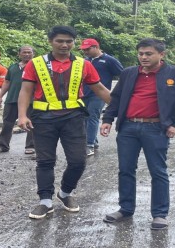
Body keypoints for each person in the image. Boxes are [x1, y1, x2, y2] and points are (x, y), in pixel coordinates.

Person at [17, 26, 111, 219]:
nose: (64, 45)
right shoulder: (35, 63)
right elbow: (25, 90)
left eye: (69, 41)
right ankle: (45, 201)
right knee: (45, 161)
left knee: (78, 161)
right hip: (43, 119)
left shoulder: (83, 64)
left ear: (74, 43)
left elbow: (100, 89)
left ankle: (65, 193)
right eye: (60, 41)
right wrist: (22, 115)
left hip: (74, 118)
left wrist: (122, 110)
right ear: (51, 41)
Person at [100, 38, 175, 230]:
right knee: (125, 170)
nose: (143, 57)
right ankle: (125, 209)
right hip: (128, 128)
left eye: (148, 54)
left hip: (156, 129)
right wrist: (108, 119)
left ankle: (159, 214)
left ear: (161, 54)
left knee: (157, 171)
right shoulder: (128, 73)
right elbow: (116, 99)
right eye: (141, 53)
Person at [80, 38, 124, 156]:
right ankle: (93, 142)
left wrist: (116, 92)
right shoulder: (85, 61)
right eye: (84, 50)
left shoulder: (109, 60)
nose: (85, 52)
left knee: (92, 117)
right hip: (84, 94)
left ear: (96, 47)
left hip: (99, 94)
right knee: (84, 118)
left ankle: (89, 145)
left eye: (88, 49)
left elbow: (123, 76)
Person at [0, 46, 35, 154]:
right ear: (19, 54)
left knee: (31, 123)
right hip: (12, 100)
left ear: (33, 54)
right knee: (7, 123)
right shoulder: (13, 67)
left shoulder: (37, 67)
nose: (27, 54)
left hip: (30, 101)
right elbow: (7, 82)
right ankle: (3, 145)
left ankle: (30, 146)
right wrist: (0, 96)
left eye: (29, 52)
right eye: (24, 52)